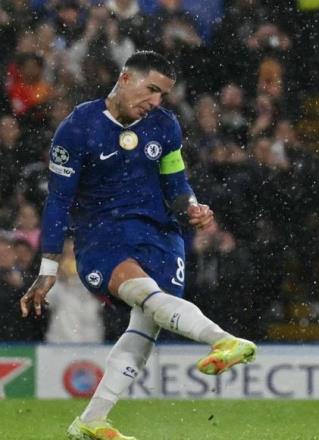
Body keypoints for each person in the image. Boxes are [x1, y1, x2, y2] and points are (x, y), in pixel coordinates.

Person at [19, 51, 256, 440]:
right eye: (152, 89)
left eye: (163, 94)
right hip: (103, 236)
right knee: (145, 295)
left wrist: (192, 207)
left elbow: (176, 184)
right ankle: (222, 340)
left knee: (148, 321)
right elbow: (58, 201)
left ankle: (92, 420)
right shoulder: (78, 128)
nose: (156, 101)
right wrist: (48, 269)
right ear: (126, 78)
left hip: (161, 235)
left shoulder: (165, 125)